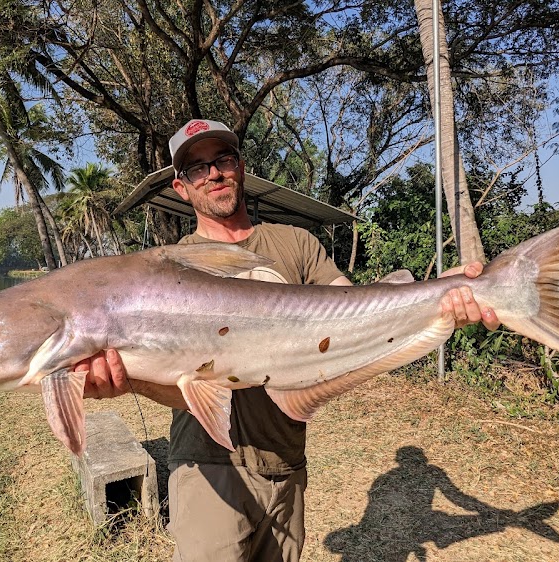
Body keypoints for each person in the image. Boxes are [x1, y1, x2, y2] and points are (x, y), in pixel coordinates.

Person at [75, 119, 500, 561]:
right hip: (209, 465)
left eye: (222, 159)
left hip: (287, 462)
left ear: (240, 166)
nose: (214, 174)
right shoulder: (169, 275)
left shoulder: (295, 243)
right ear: (182, 188)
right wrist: (130, 381)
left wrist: (439, 300)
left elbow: (352, 312)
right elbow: (187, 391)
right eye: (197, 168)